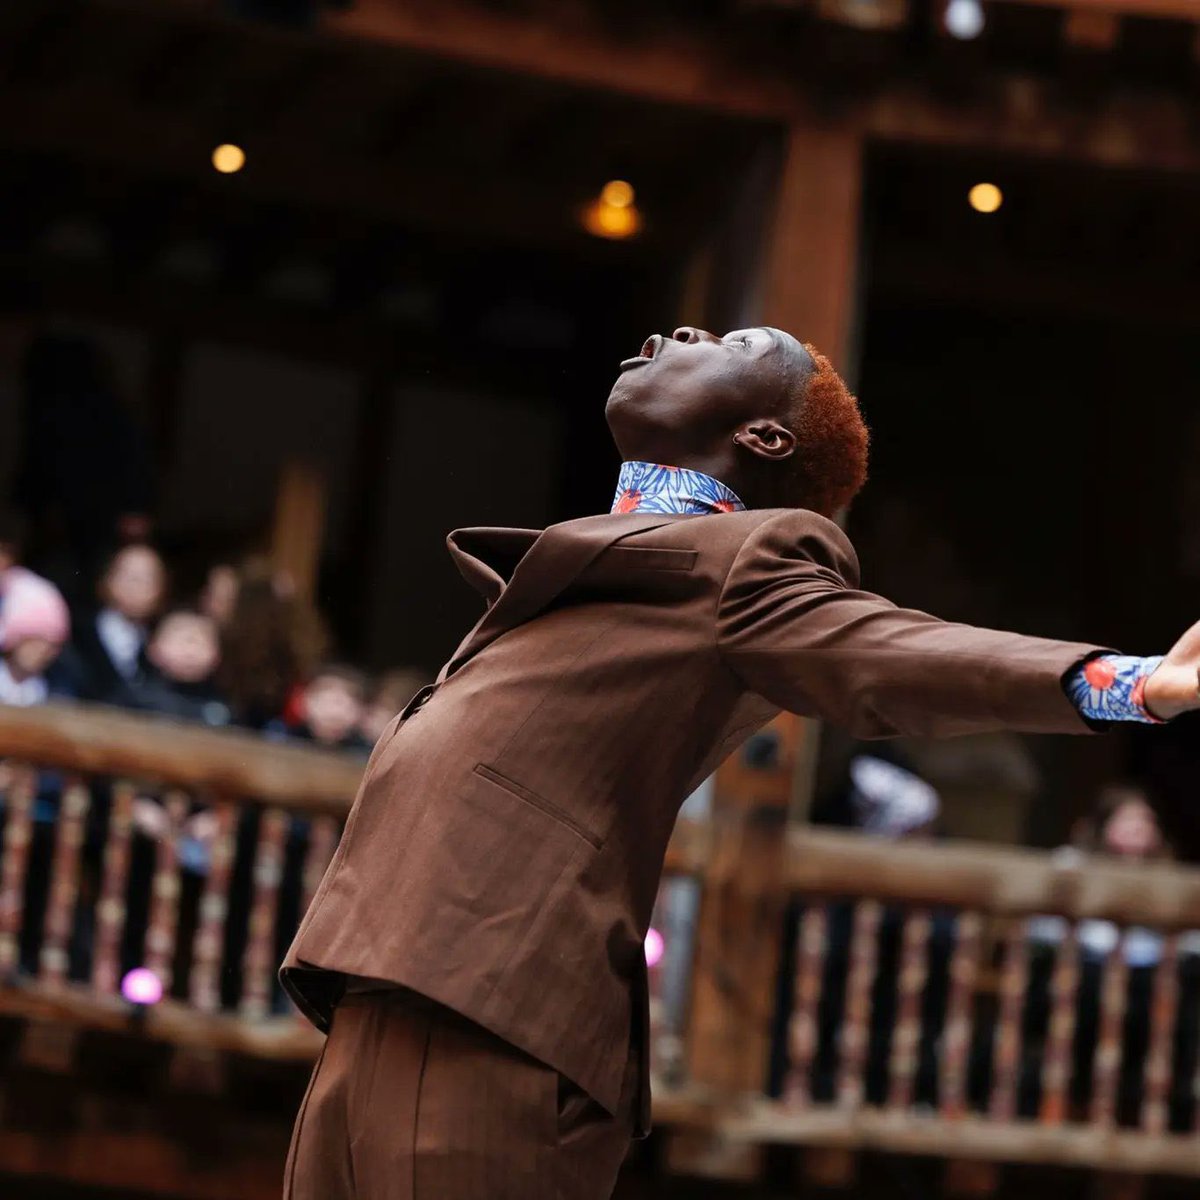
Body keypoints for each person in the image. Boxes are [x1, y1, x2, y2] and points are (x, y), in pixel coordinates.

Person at [281, 326, 1200, 1200]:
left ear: (763, 434)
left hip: (494, 1003)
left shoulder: (749, 556)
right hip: (387, 983)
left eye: (733, 345)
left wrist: (1130, 682)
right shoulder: (616, 561)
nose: (678, 338)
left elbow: (886, 652)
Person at [57, 543, 167, 706]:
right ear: (107, 579)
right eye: (129, 576)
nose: (136, 586)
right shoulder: (76, 634)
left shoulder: (162, 643)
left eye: (147, 578)